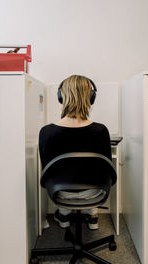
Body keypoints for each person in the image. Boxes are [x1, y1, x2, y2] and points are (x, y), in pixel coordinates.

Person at [39, 75, 112, 230]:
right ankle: (92, 213)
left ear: (61, 97)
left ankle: (64, 214)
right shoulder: (101, 130)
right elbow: (107, 169)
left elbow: (46, 170)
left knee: (63, 176)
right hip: (95, 193)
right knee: (94, 174)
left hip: (60, 193)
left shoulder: (46, 132)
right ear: (90, 98)